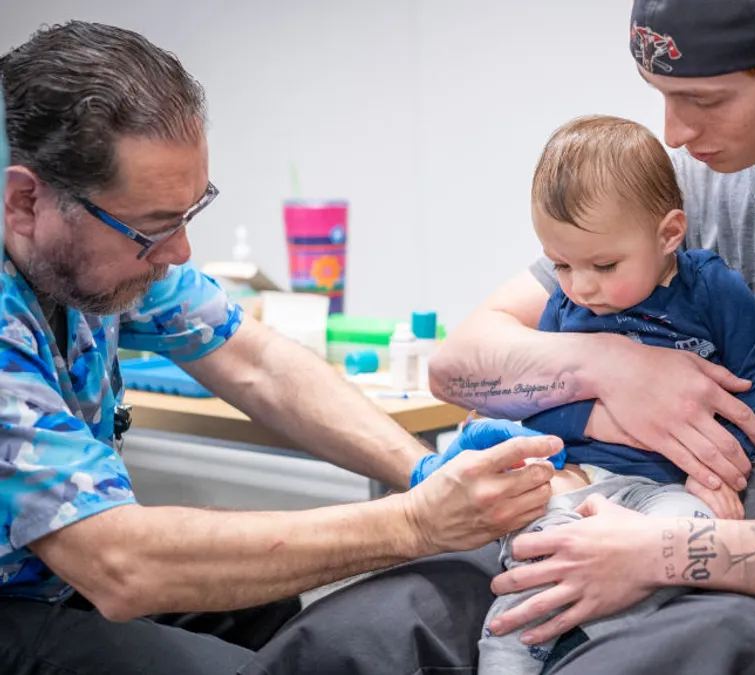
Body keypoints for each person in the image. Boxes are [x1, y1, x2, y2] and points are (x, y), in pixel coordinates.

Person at [247, 0, 755, 674]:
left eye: (705, 100)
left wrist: (656, 554)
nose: (675, 133)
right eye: (662, 97)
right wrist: (608, 364)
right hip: (603, 522)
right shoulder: (687, 181)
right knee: (347, 638)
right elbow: (460, 363)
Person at [0, 21, 561, 675]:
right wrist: (414, 523)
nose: (180, 252)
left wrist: (421, 471)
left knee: (267, 612)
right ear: (25, 201)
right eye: (154, 228)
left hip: (55, 582)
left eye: (190, 214)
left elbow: (256, 362)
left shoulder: (100, 254)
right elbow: (120, 565)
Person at [406, 114, 755, 674]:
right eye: (561, 264)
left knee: (690, 544)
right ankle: (509, 656)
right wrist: (589, 421)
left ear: (668, 234)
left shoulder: (712, 291)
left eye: (604, 266)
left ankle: (605, 642)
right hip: (580, 482)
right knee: (537, 566)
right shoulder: (566, 305)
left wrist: (717, 470)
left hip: (670, 487)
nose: (581, 286)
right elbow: (542, 408)